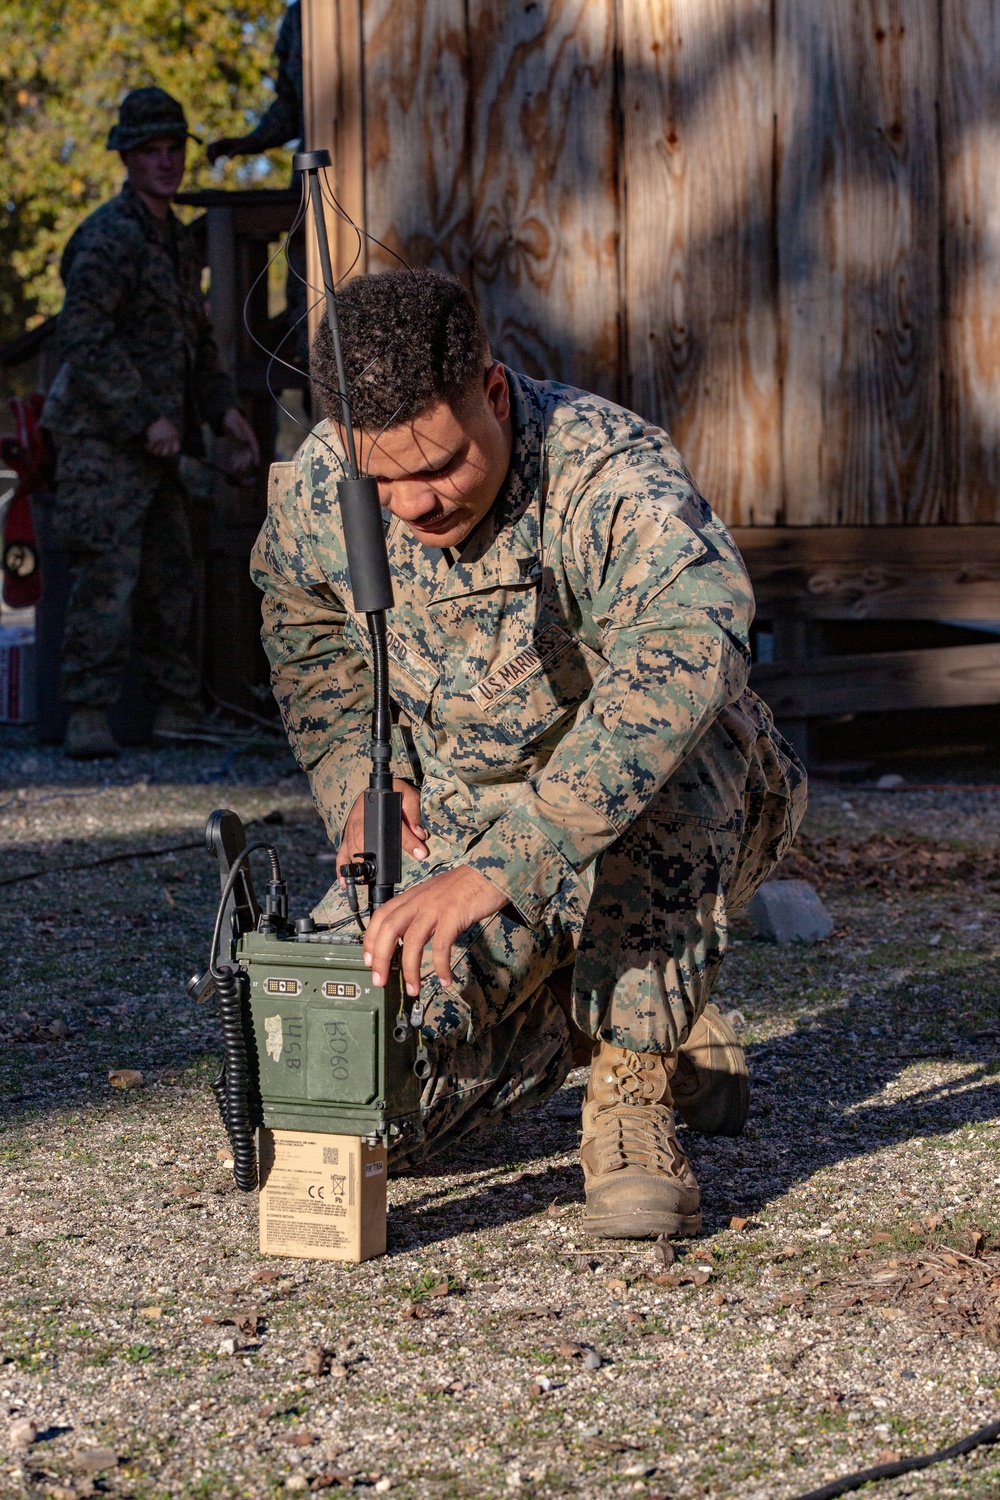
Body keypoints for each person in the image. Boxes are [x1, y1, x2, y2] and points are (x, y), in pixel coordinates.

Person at [252, 270, 806, 1239]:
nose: (414, 505)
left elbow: (697, 630)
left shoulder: (599, 468)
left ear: (493, 394)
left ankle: (633, 1077)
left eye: (441, 465)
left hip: (621, 829)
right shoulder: (322, 489)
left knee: (699, 742)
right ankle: (626, 1011)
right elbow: (299, 617)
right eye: (382, 480)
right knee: (365, 1096)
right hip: (460, 832)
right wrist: (358, 775)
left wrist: (513, 861)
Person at [43, 87, 260, 760]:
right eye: (150, 152)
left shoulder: (176, 242)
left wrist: (225, 415)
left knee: (172, 577)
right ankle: (86, 715)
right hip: (103, 445)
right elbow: (84, 339)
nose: (166, 163)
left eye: (174, 150)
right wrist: (144, 420)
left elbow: (195, 345)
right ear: (127, 159)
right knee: (106, 579)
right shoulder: (106, 238)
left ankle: (177, 711)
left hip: (164, 446)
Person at [206, 2, 308, 375]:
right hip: (311, 186)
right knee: (307, 304)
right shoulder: (299, 18)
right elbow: (291, 105)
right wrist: (251, 141)